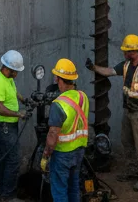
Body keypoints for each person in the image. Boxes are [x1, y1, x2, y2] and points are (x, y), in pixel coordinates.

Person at [85, 34, 138, 191]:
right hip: (128, 112)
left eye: (126, 51)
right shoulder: (126, 65)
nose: (124, 53)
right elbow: (109, 71)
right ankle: (132, 170)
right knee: (127, 142)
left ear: (133, 51)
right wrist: (94, 68)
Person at [39, 58, 89, 202]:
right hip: (79, 150)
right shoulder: (82, 96)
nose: (56, 81)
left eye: (57, 78)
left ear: (60, 80)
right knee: (73, 187)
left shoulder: (58, 104)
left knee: (60, 191)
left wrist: (46, 155)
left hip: (62, 154)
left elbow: (53, 134)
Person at [0, 50, 27, 202]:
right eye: (15, 72)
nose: (17, 75)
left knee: (4, 158)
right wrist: (19, 114)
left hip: (8, 125)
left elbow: (13, 91)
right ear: (8, 69)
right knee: (14, 158)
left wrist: (24, 100)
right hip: (2, 126)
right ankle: (8, 196)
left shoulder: (7, 78)